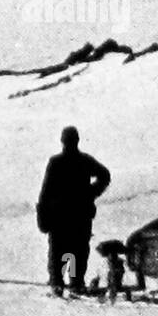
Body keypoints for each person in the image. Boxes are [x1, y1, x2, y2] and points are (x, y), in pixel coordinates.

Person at [36, 126, 111, 295]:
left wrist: (42, 214)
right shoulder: (84, 160)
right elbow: (104, 176)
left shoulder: (56, 162)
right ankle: (75, 282)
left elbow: (45, 192)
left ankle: (58, 283)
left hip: (60, 215)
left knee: (58, 250)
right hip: (80, 213)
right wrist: (91, 193)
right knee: (77, 250)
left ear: (63, 141)